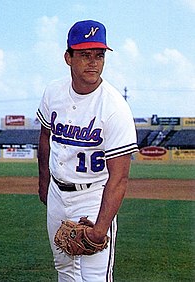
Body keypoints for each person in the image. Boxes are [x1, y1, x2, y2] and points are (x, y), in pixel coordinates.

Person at [37, 20, 138, 282]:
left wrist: (100, 227)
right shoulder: (53, 92)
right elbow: (45, 137)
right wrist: (44, 183)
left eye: (99, 55)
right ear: (68, 58)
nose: (93, 62)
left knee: (94, 278)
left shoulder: (115, 108)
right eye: (84, 55)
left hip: (93, 197)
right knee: (65, 271)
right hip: (58, 193)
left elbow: (119, 178)